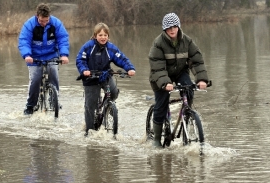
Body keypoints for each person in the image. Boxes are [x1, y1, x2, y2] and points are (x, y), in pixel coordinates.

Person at [148, 13, 209, 147]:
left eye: (175, 26)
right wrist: (166, 83)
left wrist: (202, 79)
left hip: (180, 73)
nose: (172, 29)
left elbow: (197, 61)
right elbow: (157, 68)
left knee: (189, 89)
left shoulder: (187, 41)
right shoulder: (158, 44)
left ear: (179, 26)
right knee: (161, 105)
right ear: (164, 29)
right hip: (160, 77)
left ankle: (187, 115)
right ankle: (157, 139)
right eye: (169, 27)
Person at [76, 22, 136, 137]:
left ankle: (108, 108)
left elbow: (122, 59)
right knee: (91, 105)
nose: (103, 37)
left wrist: (130, 68)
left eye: (105, 35)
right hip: (90, 77)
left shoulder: (111, 48)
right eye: (100, 35)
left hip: (105, 75)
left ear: (108, 36)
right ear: (95, 36)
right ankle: (89, 132)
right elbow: (80, 60)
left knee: (113, 92)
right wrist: (84, 70)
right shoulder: (88, 46)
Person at [18, 3, 69, 115]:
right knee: (35, 79)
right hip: (34, 57)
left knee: (54, 74)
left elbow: (63, 38)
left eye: (46, 20)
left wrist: (64, 54)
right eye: (42, 21)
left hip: (51, 55)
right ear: (37, 16)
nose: (44, 23)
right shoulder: (29, 25)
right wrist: (27, 55)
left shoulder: (56, 23)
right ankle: (30, 105)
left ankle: (54, 100)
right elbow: (24, 41)